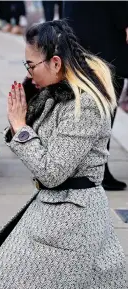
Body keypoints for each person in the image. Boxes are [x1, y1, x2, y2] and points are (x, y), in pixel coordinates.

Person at [0, 20, 128, 289]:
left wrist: (21, 126)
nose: (28, 73)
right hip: (51, 208)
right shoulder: (57, 91)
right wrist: (27, 109)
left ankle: (92, 283)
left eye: (31, 66)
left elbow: (52, 172)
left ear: (55, 62)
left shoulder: (86, 104)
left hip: (74, 216)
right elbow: (32, 144)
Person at [63, 1, 128, 191]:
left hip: (79, 37)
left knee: (83, 105)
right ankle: (96, 169)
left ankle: (79, 166)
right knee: (103, 107)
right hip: (103, 43)